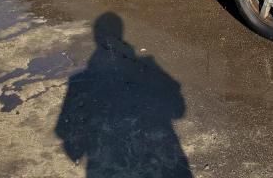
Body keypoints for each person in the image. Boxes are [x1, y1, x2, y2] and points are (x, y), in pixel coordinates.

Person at [56, 12, 192, 177]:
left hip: (106, 167)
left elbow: (66, 135)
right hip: (154, 164)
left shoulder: (80, 81)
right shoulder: (150, 69)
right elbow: (179, 109)